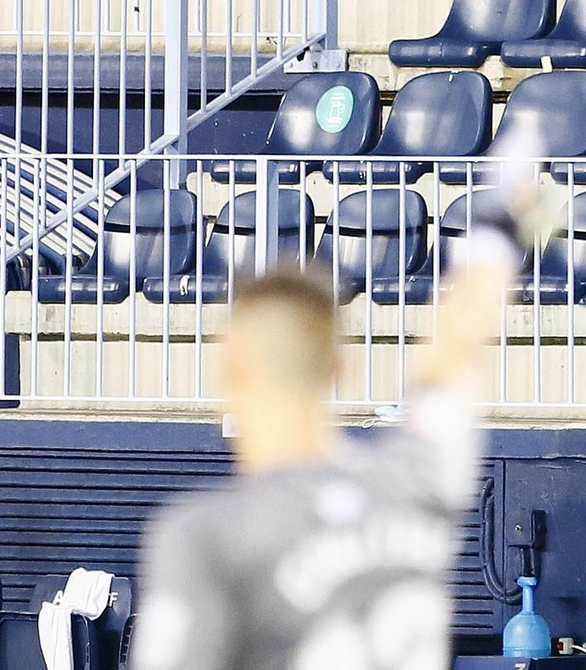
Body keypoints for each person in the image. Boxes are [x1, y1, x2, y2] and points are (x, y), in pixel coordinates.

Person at [130, 219, 524, 670]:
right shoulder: (420, 482)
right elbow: (454, 351)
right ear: (339, 367)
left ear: (229, 367)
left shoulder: (207, 537)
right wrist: (500, 235)